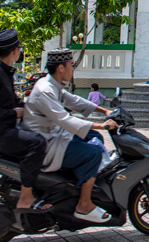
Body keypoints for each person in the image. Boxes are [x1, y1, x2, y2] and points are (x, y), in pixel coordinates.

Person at [22, 48, 118, 223]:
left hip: (54, 137)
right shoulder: (46, 90)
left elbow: (74, 101)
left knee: (93, 136)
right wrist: (102, 125)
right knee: (93, 153)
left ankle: (76, 186)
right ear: (60, 68)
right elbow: (66, 120)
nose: (72, 69)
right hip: (47, 145)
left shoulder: (53, 86)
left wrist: (105, 111)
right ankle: (84, 204)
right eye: (70, 66)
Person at [0, 29, 49, 210]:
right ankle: (26, 196)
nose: (19, 51)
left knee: (35, 133)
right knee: (37, 143)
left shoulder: (4, 72)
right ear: (14, 51)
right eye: (19, 48)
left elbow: (13, 101)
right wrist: (15, 114)